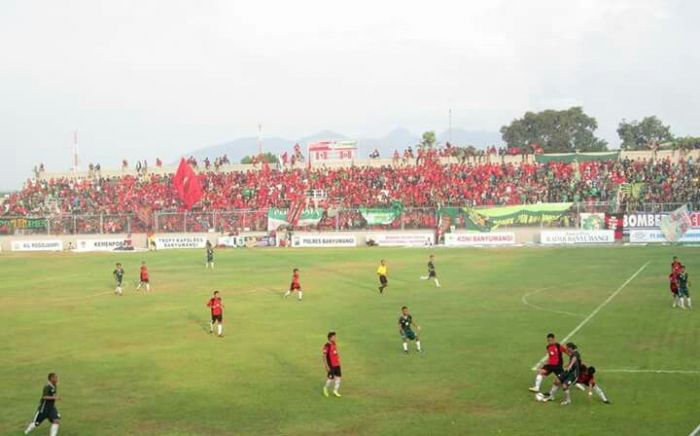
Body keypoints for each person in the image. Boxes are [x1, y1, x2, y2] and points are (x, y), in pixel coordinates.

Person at [322, 331, 342, 398]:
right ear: (330, 338)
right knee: (331, 379)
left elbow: (335, 352)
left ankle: (335, 391)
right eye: (334, 337)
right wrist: (326, 366)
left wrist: (338, 359)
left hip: (337, 364)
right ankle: (325, 388)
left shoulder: (334, 343)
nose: (335, 338)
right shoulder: (326, 346)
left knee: (338, 378)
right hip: (331, 365)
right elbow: (324, 356)